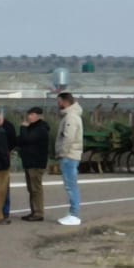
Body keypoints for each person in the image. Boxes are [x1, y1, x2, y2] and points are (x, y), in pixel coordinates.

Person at [15, 106, 52, 222]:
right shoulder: (31, 127)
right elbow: (21, 140)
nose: (29, 117)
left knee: (36, 188)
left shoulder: (41, 129)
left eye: (32, 114)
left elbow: (27, 139)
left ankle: (38, 213)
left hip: (36, 162)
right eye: (29, 114)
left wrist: (23, 128)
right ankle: (34, 211)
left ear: (38, 116)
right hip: (29, 161)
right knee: (31, 188)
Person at [55, 91, 84, 226]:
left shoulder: (70, 118)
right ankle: (73, 213)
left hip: (69, 155)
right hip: (71, 155)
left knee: (71, 186)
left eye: (59, 101)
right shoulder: (71, 116)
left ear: (65, 102)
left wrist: (62, 152)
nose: (58, 104)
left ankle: (74, 214)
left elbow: (68, 137)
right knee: (71, 185)